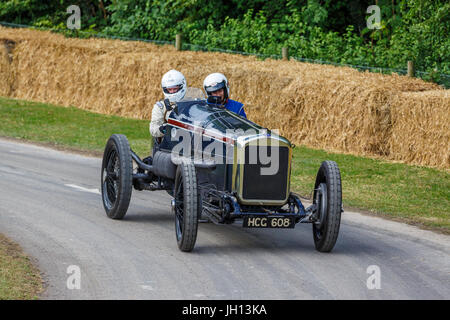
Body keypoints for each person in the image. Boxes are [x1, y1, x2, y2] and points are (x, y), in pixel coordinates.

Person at [149, 69, 187, 139]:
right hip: (169, 143)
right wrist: (163, 128)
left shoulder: (190, 101)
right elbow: (153, 129)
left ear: (182, 86)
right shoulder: (160, 106)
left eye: (175, 89)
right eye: (169, 89)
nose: (172, 92)